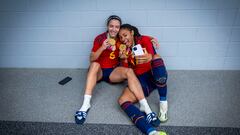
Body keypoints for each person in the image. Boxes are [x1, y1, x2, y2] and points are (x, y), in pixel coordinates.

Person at [75, 15, 160, 127]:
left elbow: (135, 36)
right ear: (107, 26)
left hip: (112, 73)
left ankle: (146, 107)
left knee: (129, 71)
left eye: (117, 27)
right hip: (99, 72)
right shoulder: (99, 38)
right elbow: (91, 58)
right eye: (111, 26)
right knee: (94, 64)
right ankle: (85, 105)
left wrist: (150, 38)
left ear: (119, 28)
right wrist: (102, 47)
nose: (114, 29)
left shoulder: (121, 40)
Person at [118, 24, 168, 134]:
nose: (123, 39)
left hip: (155, 74)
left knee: (156, 58)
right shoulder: (125, 50)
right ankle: (150, 131)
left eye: (125, 35)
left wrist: (149, 56)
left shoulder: (144, 39)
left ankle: (163, 103)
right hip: (141, 81)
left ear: (132, 32)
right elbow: (127, 72)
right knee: (122, 100)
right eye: (120, 37)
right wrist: (124, 60)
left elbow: (151, 54)